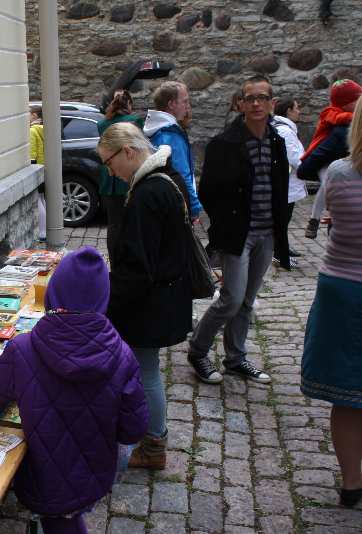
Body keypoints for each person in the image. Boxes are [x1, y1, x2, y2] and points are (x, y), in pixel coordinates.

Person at [0, 246, 148, 533]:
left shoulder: (22, 348)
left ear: (52, 295)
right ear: (104, 301)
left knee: (59, 522)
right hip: (93, 475)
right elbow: (132, 430)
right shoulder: (123, 354)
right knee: (69, 517)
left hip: (42, 476)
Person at [99, 122, 192, 470]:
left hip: (150, 303)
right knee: (145, 370)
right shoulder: (166, 178)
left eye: (109, 162)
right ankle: (148, 438)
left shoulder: (147, 194)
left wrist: (104, 302)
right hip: (162, 296)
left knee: (147, 372)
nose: (110, 172)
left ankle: (154, 446)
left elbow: (139, 269)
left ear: (127, 151)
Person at [188, 75, 291, 385]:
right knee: (232, 298)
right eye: (250, 99)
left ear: (272, 103)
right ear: (241, 104)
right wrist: (224, 223)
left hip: (267, 232)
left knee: (247, 300)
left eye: (262, 98)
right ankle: (197, 350)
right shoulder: (224, 144)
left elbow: (281, 186)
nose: (256, 103)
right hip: (238, 234)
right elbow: (208, 191)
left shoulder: (277, 141)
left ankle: (235, 358)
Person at [301, 97, 362, 508]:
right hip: (345, 288)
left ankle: (351, 484)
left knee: (347, 393)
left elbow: (337, 221)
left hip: (342, 286)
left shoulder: (340, 173)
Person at [298, 79, 362, 238]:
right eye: (358, 99)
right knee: (327, 184)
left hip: (328, 158)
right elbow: (344, 119)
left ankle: (315, 219)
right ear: (346, 104)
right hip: (325, 159)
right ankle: (314, 219)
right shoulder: (334, 116)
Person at [144, 81, 202, 224]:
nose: (188, 106)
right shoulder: (171, 137)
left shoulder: (154, 131)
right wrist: (194, 208)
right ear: (171, 104)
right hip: (175, 208)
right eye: (185, 101)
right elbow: (181, 177)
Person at [97, 90, 144, 258]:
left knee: (113, 222)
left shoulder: (102, 124)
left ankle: (114, 256)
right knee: (130, 220)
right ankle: (126, 256)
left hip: (108, 173)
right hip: (126, 171)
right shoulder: (135, 121)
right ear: (129, 103)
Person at [270, 96, 306, 266]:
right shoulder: (285, 130)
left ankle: (282, 249)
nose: (298, 111)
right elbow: (294, 157)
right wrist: (308, 167)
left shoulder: (283, 128)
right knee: (282, 220)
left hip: (288, 184)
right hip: (288, 184)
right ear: (289, 111)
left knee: (284, 219)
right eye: (296, 108)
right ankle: (280, 254)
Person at [30, 106, 47, 242]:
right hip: (46, 168)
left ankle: (42, 233)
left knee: (38, 200)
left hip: (37, 168)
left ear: (34, 115)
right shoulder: (45, 129)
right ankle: (45, 230)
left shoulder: (32, 131)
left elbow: (32, 154)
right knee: (42, 199)